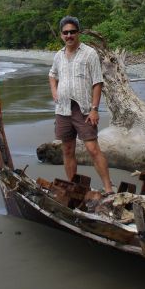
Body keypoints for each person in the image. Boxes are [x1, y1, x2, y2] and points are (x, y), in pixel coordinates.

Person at [48, 16, 113, 194]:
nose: (69, 35)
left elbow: (97, 82)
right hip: (63, 109)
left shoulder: (89, 53)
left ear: (78, 33)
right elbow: (52, 74)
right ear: (61, 35)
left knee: (92, 149)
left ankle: (108, 188)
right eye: (65, 32)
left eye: (72, 32)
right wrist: (54, 91)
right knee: (67, 149)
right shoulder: (59, 55)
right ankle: (71, 187)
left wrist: (94, 109)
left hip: (84, 109)